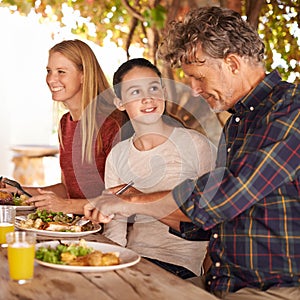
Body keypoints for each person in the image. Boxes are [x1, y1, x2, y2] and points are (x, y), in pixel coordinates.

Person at [84, 7, 300, 299]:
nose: (195, 90)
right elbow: (206, 223)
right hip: (223, 283)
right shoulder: (238, 123)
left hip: (274, 288)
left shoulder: (290, 112)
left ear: (232, 64)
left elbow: (223, 198)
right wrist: (130, 204)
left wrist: (132, 200)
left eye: (198, 77)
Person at [103, 57, 216, 279]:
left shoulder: (197, 145)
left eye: (153, 88)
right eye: (135, 92)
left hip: (178, 266)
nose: (148, 98)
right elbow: (115, 229)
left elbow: (215, 219)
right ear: (120, 103)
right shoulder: (117, 155)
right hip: (131, 261)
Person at [1, 39, 129, 214]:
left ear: (84, 75)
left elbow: (125, 196)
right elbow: (68, 189)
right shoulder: (65, 124)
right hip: (80, 225)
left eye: (61, 72)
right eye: (49, 71)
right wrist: (19, 191)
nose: (51, 79)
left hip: (113, 232)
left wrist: (65, 206)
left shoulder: (111, 123)